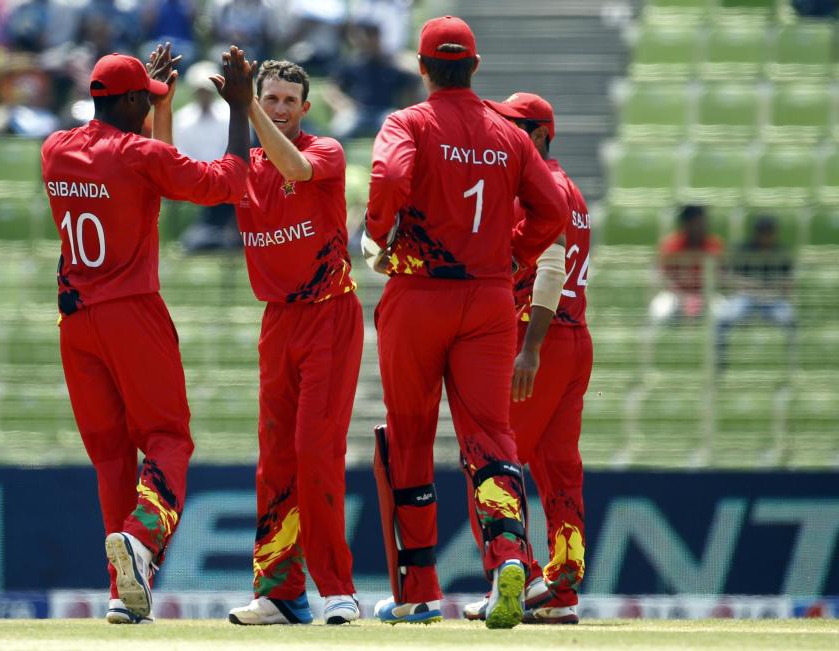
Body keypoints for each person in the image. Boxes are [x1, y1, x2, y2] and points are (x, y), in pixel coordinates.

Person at [362, 16, 568, 629]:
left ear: (422, 68)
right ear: (475, 67)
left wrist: (379, 234)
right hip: (488, 300)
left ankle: (419, 593)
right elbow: (552, 209)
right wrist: (514, 254)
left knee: (410, 436)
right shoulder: (509, 137)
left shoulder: (409, 123)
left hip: (419, 292)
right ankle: (508, 555)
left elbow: (391, 178)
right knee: (490, 437)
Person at [41, 45, 253, 625]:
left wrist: (149, 106)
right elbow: (225, 181)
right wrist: (239, 108)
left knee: (112, 458)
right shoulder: (139, 157)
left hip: (76, 320)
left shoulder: (55, 150)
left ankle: (123, 592)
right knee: (169, 441)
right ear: (132, 101)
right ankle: (141, 536)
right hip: (132, 312)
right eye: (149, 101)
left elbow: (139, 162)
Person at [220, 58, 363, 627]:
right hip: (278, 322)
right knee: (275, 459)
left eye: (287, 102)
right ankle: (279, 592)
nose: (279, 109)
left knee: (313, 453)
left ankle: (338, 592)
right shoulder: (243, 167)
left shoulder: (325, 152)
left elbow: (296, 168)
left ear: (306, 109)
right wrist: (162, 102)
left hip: (330, 315)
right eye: (269, 98)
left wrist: (245, 104)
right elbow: (177, 172)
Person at [464, 92, 592, 625]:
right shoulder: (573, 189)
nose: (504, 133)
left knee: (491, 459)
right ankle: (559, 588)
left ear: (538, 135)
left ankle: (517, 576)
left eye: (514, 126)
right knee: (558, 470)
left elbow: (551, 264)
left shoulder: (538, 187)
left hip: (534, 337)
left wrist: (531, 348)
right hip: (574, 336)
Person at [715, 215, 796, 371]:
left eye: (769, 232)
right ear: (756, 233)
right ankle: (720, 363)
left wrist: (772, 289)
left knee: (789, 319)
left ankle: (791, 367)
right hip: (745, 297)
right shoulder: (743, 251)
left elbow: (788, 283)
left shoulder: (781, 253)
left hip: (773, 299)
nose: (765, 236)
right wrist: (751, 286)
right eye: (762, 232)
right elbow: (728, 278)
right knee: (724, 319)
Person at [173, 61, 236, 251]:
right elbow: (181, 155)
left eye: (207, 90)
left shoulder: (229, 115)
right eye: (200, 91)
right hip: (199, 179)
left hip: (226, 178)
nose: (204, 95)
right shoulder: (183, 119)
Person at [649, 205, 724, 324]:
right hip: (675, 294)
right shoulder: (671, 244)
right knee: (658, 311)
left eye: (702, 222)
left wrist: (701, 296)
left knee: (722, 313)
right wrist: (682, 296)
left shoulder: (713, 243)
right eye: (695, 222)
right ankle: (647, 341)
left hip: (706, 294)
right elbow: (662, 275)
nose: (700, 227)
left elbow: (719, 274)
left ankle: (717, 343)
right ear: (686, 224)